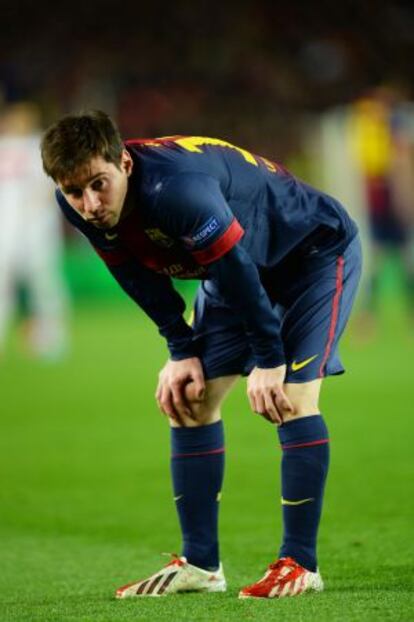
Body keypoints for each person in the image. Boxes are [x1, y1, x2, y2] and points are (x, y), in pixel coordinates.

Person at [41, 110, 362, 599]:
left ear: (124, 162)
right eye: (73, 192)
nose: (88, 204)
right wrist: (180, 350)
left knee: (292, 399)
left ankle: (301, 563)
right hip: (233, 271)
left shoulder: (177, 190)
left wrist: (269, 358)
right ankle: (201, 565)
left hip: (311, 253)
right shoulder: (80, 204)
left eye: (97, 185)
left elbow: (234, 266)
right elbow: (133, 274)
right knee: (188, 399)